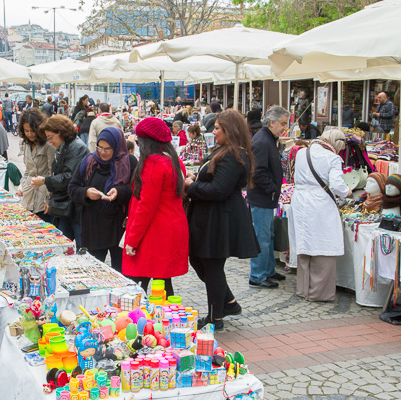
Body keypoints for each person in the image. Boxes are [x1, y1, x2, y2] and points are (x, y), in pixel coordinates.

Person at [186, 110, 260, 331]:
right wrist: (196, 178)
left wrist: (192, 186)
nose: (214, 131)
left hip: (220, 219)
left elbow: (219, 189)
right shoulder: (226, 151)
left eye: (218, 128)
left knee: (212, 265)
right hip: (212, 217)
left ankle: (214, 318)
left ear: (230, 130)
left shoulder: (234, 155)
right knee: (200, 262)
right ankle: (228, 303)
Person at [122, 117, 188, 297]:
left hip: (155, 232)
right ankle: (168, 318)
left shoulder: (153, 163)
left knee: (137, 283)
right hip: (171, 227)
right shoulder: (173, 160)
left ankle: (139, 320)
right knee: (163, 281)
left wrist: (132, 240)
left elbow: (146, 206)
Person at [288, 129, 351, 302]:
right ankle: (319, 292)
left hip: (299, 200)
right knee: (323, 244)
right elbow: (337, 185)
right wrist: (348, 191)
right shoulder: (332, 158)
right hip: (321, 203)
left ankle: (303, 289)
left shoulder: (302, 153)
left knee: (304, 243)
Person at [68, 127, 136, 272]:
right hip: (94, 227)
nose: (103, 152)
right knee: (93, 272)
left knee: (122, 273)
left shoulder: (129, 162)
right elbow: (72, 188)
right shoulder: (89, 162)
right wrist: (86, 192)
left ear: (117, 147)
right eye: (100, 147)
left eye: (108, 149)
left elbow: (137, 190)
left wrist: (119, 191)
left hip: (120, 227)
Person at [248, 106, 290, 289]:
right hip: (262, 196)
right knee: (262, 238)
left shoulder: (268, 139)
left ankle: (268, 270)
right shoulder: (263, 141)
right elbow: (257, 171)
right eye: (282, 124)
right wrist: (272, 188)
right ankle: (257, 275)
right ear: (271, 122)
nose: (284, 128)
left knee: (269, 236)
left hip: (266, 196)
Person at [35, 115, 89, 244]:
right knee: (62, 244)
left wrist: (44, 180)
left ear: (60, 132)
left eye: (50, 137)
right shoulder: (64, 146)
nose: (49, 141)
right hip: (66, 205)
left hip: (75, 206)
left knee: (78, 246)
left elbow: (68, 178)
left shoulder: (76, 147)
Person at [15, 109, 56, 221]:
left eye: (32, 130)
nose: (29, 134)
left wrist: (49, 199)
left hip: (43, 198)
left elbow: (51, 173)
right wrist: (22, 187)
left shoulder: (48, 145)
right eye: (26, 131)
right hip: (28, 196)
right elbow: (28, 170)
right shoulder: (24, 144)